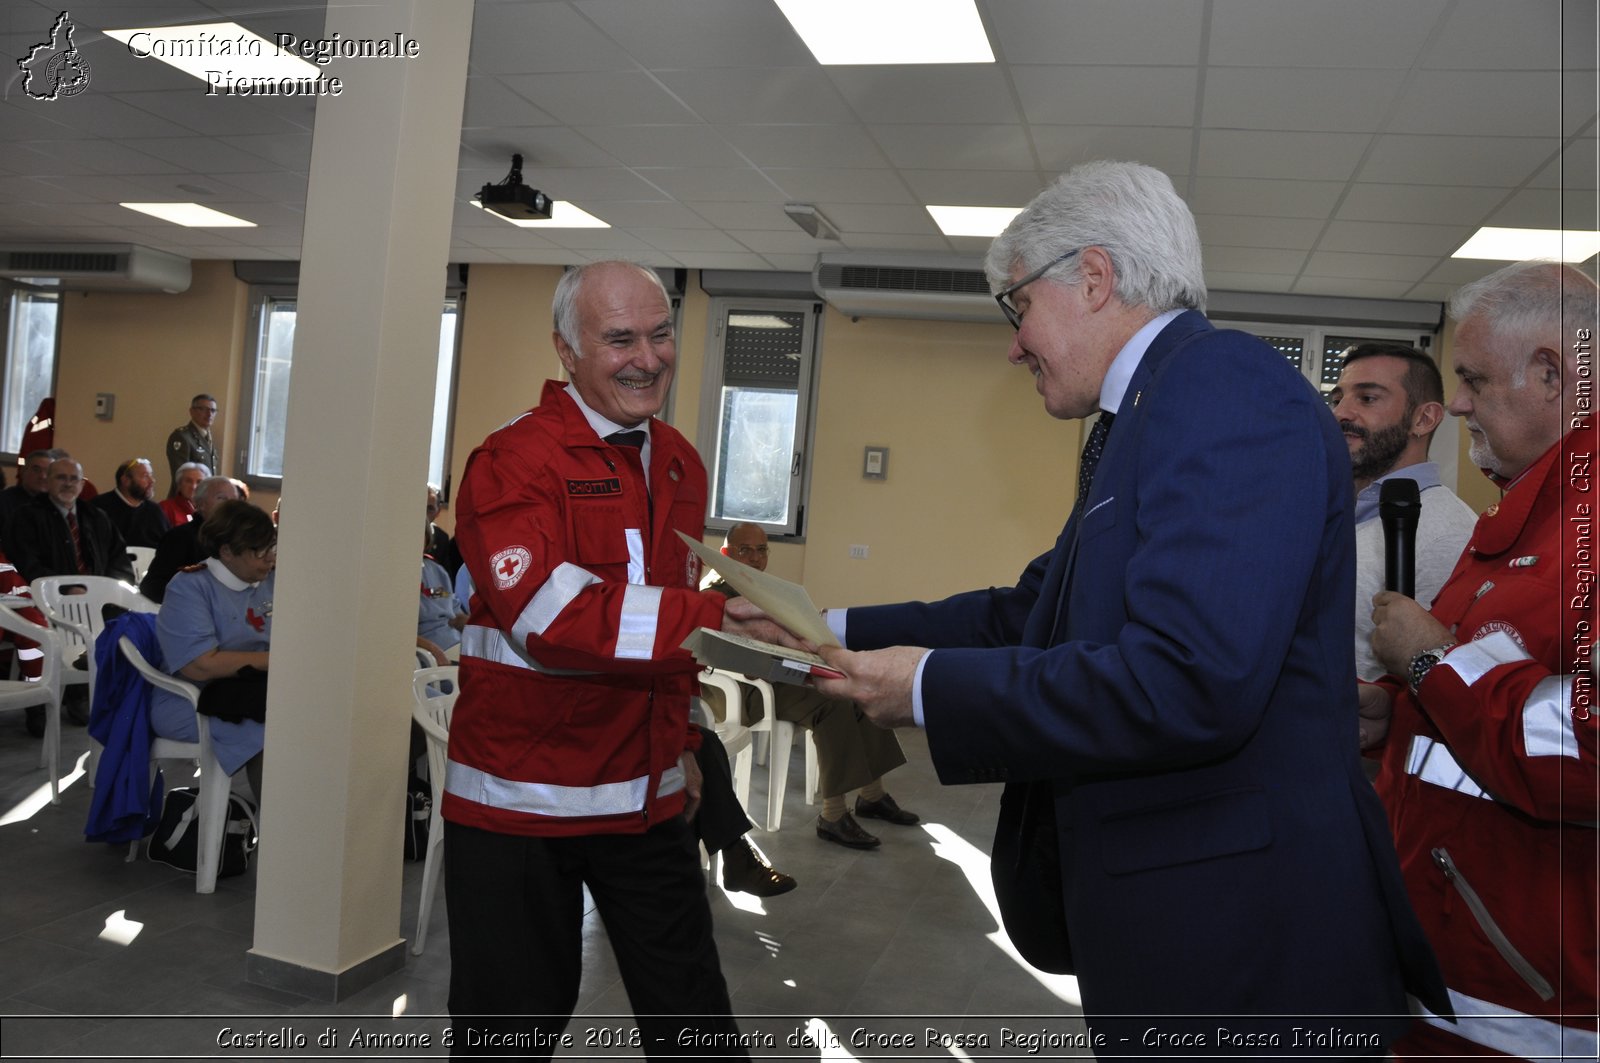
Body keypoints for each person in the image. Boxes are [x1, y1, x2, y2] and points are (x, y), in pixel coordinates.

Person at [756, 161, 1448, 1052]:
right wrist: (827, 626)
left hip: (1239, 938)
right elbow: (1033, 612)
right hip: (1180, 914)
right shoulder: (1147, 416)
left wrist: (927, 688)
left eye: (1018, 306)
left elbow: (1191, 680)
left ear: (1093, 277)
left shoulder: (1222, 388)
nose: (1014, 343)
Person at [446, 260, 770, 1056]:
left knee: (697, 1025)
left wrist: (687, 740)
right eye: (619, 337)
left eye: (661, 334)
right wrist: (717, 613)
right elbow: (553, 620)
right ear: (566, 347)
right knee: (507, 1037)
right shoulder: (509, 463)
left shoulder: (681, 463)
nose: (648, 357)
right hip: (521, 810)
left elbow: (662, 634)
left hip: (647, 802)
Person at [1365, 261, 1597, 1060]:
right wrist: (1396, 712)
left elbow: (1587, 747)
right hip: (1451, 967)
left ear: (1550, 373)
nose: (1456, 402)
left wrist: (1432, 665)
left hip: (1533, 1008)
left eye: (1472, 378)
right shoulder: (1531, 510)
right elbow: (1491, 689)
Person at [704, 522, 917, 849]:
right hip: (738, 690)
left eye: (761, 550)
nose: (755, 558)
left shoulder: (764, 588)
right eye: (744, 550)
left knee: (857, 689)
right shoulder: (714, 595)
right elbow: (719, 655)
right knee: (832, 705)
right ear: (725, 553)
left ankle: (872, 796)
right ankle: (832, 816)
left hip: (777, 677)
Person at [1328, 344, 1477, 681]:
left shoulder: (1448, 533)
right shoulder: (1340, 512)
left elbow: (1439, 677)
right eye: (1338, 399)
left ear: (1423, 419)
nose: (1340, 414)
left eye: (1367, 399)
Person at [152, 499, 275, 802]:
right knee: (277, 735)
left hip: (255, 690)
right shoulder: (190, 586)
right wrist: (278, 661)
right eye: (259, 552)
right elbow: (200, 666)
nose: (270, 559)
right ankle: (279, 834)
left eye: (272, 548)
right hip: (192, 699)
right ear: (227, 552)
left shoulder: (270, 579)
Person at [7, 458, 134, 584]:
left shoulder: (97, 517)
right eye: (61, 477)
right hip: (48, 596)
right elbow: (26, 564)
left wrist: (109, 588)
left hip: (99, 596)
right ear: (48, 482)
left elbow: (119, 560)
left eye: (74, 479)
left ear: (82, 485)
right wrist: (66, 588)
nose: (68, 484)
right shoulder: (27, 516)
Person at [140, 475, 240, 603]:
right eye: (221, 498)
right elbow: (152, 587)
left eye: (234, 500)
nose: (230, 505)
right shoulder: (180, 538)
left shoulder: (240, 539)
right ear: (201, 504)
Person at [89, 458, 170, 549]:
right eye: (145, 476)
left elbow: (168, 544)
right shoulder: (98, 507)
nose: (152, 481)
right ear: (126, 480)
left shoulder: (155, 510)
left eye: (151, 475)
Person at [417, 520, 467, 658]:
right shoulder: (395, 578)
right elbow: (397, 631)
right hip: (427, 652)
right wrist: (432, 649)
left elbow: (454, 614)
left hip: (453, 644)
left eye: (421, 533)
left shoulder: (436, 571)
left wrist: (479, 630)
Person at [0, 448, 58, 541]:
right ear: (22, 471)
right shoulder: (3, 502)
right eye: (36, 470)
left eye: (48, 472)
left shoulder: (57, 505)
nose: (42, 476)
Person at [166, 393, 219, 491]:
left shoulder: (207, 437)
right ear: (192, 412)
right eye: (203, 409)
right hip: (186, 498)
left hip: (203, 498)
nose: (209, 414)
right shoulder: (182, 436)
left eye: (213, 410)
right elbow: (181, 476)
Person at [159, 462, 210, 528]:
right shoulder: (164, 508)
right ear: (179, 485)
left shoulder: (211, 510)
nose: (193, 487)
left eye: (199, 482)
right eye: (188, 481)